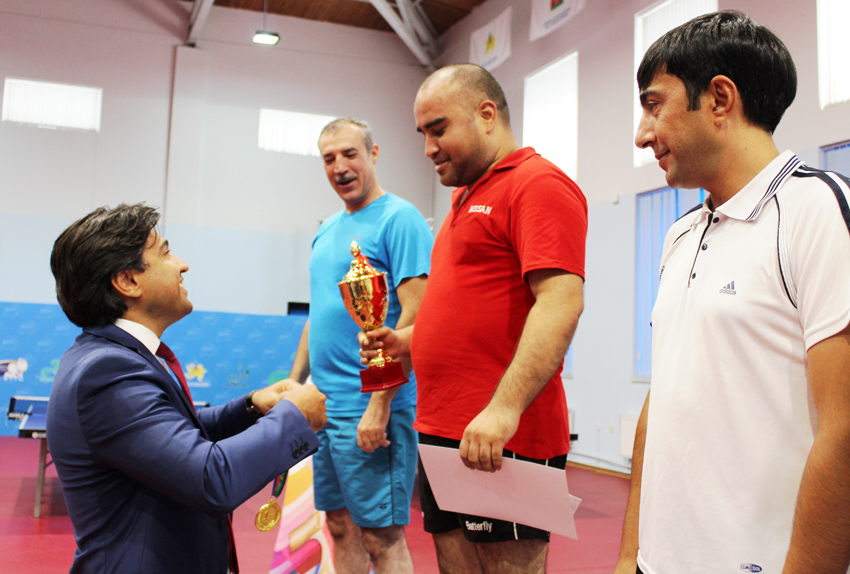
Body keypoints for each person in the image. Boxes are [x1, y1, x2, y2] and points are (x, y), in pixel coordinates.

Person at [614, 11, 850, 574]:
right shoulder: (679, 234)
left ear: (720, 99)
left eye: (654, 106)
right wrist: (630, 556)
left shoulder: (816, 210)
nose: (642, 135)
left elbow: (845, 427)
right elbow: (661, 403)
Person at [361, 64, 587, 574]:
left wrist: (503, 411)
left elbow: (560, 301)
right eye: (422, 134)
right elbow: (471, 312)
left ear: (487, 115)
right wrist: (408, 340)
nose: (428, 148)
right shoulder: (463, 200)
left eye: (439, 129)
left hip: (502, 435)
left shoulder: (537, 183)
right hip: (443, 430)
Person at [46, 203, 327, 574]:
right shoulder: (107, 370)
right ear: (128, 281)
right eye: (165, 253)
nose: (182, 265)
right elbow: (210, 479)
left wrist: (251, 406)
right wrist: (295, 416)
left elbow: (169, 437)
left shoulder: (110, 357)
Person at [279, 118, 433, 574]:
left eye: (350, 154)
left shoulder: (400, 219)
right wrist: (295, 383)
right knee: (340, 526)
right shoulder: (327, 229)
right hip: (323, 405)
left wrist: (380, 405)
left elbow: (415, 318)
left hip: (372, 407)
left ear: (373, 153)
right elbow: (320, 314)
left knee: (382, 538)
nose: (340, 167)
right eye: (329, 158)